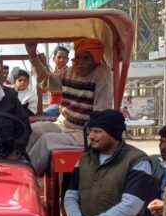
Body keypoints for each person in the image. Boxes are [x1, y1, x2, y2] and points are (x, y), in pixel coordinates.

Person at [25, 38, 113, 175]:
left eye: (86, 58)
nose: (81, 62)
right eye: (78, 58)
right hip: (62, 124)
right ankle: (18, 167)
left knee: (46, 140)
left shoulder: (102, 75)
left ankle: (26, 176)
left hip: (83, 133)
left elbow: (101, 113)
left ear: (96, 59)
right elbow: (47, 81)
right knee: (32, 129)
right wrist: (32, 55)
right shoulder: (70, 72)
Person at [42, 46, 70, 117]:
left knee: (42, 115)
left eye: (64, 57)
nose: (62, 60)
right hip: (53, 106)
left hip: (64, 106)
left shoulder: (70, 73)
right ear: (53, 59)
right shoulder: (51, 72)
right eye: (59, 57)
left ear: (68, 60)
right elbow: (43, 89)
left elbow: (54, 87)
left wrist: (45, 65)